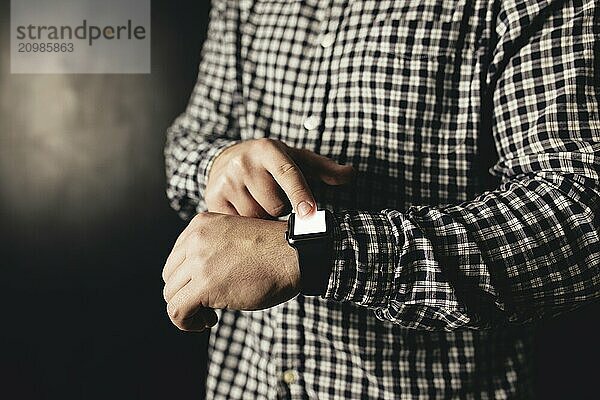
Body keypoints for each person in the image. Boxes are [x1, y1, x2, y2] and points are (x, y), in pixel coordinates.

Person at [162, 0, 600, 398]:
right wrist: (219, 164)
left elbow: (580, 213)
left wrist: (316, 253)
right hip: (245, 382)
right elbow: (187, 141)